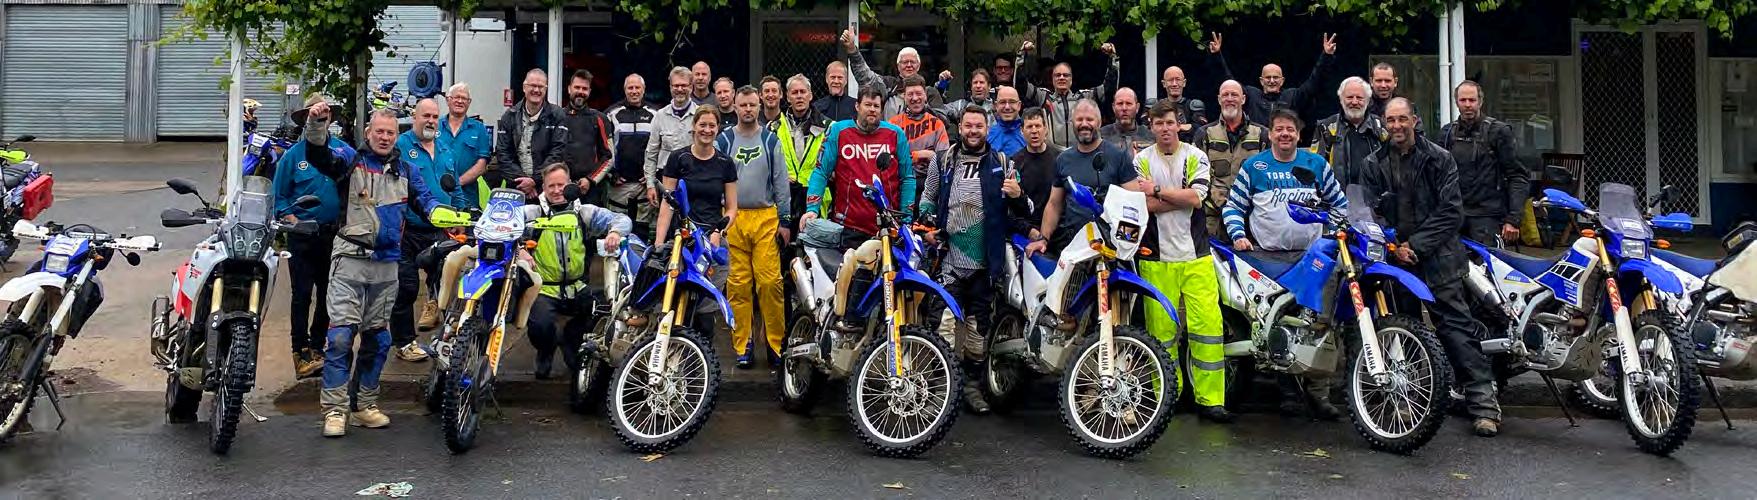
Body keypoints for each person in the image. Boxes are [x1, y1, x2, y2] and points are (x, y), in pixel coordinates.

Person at [1361, 97, 1501, 437]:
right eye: (1391, 120)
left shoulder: (1440, 158)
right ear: (1384, 123)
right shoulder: (1373, 163)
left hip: (1440, 258)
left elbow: (1451, 211)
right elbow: (1369, 212)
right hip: (1396, 261)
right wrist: (1395, 247)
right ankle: (1410, 401)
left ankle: (1483, 404)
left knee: (1457, 330)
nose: (1396, 126)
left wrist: (1416, 246)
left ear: (1414, 120)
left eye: (1402, 119)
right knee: (1403, 329)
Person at [320, 107, 445, 437]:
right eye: (380, 131)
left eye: (390, 132)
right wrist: (317, 125)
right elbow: (319, 154)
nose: (385, 137)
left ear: (396, 135)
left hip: (388, 263)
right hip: (350, 259)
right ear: (368, 132)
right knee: (340, 336)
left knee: (378, 338)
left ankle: (364, 405)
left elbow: (426, 201)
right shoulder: (349, 161)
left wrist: (444, 215)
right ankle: (335, 410)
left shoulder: (406, 170)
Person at [1222, 108, 1346, 421]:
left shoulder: (1316, 164)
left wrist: (1332, 236)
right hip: (1268, 257)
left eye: (1290, 129)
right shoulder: (1254, 166)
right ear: (1270, 134)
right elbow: (1233, 206)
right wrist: (1238, 235)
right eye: (1279, 129)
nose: (1285, 134)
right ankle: (1288, 392)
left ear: (1299, 134)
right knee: (1278, 324)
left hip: (1313, 257)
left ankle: (1319, 394)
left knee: (1318, 323)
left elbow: (1340, 205)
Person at [918, 105, 1035, 414]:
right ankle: (938, 390)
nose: (973, 131)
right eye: (968, 126)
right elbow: (927, 199)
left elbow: (1028, 210)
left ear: (987, 129)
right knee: (941, 326)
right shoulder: (943, 160)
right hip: (948, 261)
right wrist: (927, 224)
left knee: (977, 332)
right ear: (960, 128)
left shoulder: (1004, 163)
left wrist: (1018, 195)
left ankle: (970, 387)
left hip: (985, 264)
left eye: (978, 126)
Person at [1132, 100, 1231, 423]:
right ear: (1151, 126)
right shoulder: (1141, 159)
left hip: (1196, 256)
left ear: (1179, 124)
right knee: (1161, 333)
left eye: (1170, 122)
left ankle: (1211, 400)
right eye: (1158, 123)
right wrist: (1178, 197)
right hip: (1156, 259)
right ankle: (1167, 397)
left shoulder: (1195, 156)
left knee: (1208, 329)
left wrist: (1158, 190)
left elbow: (1197, 198)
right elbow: (1144, 205)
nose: (1165, 128)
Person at [801, 86, 916, 325]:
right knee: (851, 292)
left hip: (888, 228)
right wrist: (812, 209)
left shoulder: (895, 134)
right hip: (850, 226)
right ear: (857, 106)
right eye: (867, 105)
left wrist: (906, 218)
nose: (872, 110)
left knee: (889, 288)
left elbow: (907, 178)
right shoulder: (839, 131)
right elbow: (821, 172)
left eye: (876, 106)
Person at [525, 164, 633, 379]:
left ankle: (571, 340)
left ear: (571, 185)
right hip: (544, 289)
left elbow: (622, 219)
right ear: (543, 188)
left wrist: (614, 232)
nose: (557, 190)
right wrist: (519, 250)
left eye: (561, 185)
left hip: (578, 287)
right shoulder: (532, 213)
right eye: (551, 186)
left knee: (605, 311)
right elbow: (503, 223)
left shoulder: (584, 213)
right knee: (540, 325)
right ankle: (546, 350)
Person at [275, 93, 351, 379]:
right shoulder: (292, 157)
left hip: (333, 236)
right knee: (302, 295)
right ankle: (300, 350)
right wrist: (293, 220)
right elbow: (279, 198)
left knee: (329, 294)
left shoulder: (342, 151)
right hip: (302, 237)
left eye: (324, 116)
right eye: (315, 116)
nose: (320, 120)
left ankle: (318, 347)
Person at [718, 87, 790, 368]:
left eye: (752, 105)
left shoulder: (771, 141)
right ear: (735, 107)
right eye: (743, 105)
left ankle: (775, 343)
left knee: (770, 283)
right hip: (734, 219)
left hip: (765, 218)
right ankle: (743, 344)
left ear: (759, 106)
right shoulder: (724, 140)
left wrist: (785, 220)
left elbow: (781, 181)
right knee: (738, 285)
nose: (748, 110)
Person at [654, 105, 740, 336]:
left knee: (704, 312)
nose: (707, 130)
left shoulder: (725, 163)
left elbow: (732, 208)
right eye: (702, 125)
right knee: (671, 302)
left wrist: (719, 231)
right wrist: (659, 243)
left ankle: (702, 355)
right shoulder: (678, 158)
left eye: (712, 125)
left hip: (711, 242)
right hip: (681, 240)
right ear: (693, 126)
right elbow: (667, 203)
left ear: (718, 128)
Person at [388, 99, 461, 363]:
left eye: (434, 116)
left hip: (439, 230)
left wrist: (459, 215)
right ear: (415, 117)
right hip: (406, 230)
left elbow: (455, 186)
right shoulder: (400, 146)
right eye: (425, 115)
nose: (430, 120)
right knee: (406, 287)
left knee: (446, 285)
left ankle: (447, 342)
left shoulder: (445, 147)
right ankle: (404, 342)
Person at [1023, 99, 1144, 257]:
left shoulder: (1118, 156)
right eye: (1079, 119)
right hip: (1073, 248)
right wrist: (1043, 239)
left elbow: (1134, 204)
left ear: (1099, 123)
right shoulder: (1063, 159)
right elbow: (1054, 204)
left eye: (1089, 119)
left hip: (1110, 249)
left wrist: (1126, 247)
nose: (1084, 124)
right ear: (1072, 123)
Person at [1441, 80, 1529, 246]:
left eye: (1472, 100)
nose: (1468, 105)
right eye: (1463, 100)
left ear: (1480, 102)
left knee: (1486, 262)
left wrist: (1513, 219)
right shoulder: (1447, 133)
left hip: (1488, 217)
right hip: (1454, 215)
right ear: (1456, 102)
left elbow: (1517, 175)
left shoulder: (1498, 132)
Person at [1206, 32, 1337, 128]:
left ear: (1282, 80)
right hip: (1256, 147)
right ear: (1261, 81)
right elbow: (1229, 82)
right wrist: (1216, 55)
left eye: (1276, 77)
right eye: (1268, 77)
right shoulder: (1251, 95)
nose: (1272, 81)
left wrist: (1326, 56)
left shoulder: (1292, 96)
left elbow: (1314, 83)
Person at [1193, 80, 1268, 237]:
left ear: (1243, 99)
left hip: (1252, 217)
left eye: (1234, 95)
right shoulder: (1204, 134)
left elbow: (1268, 177)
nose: (1229, 99)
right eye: (1225, 95)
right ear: (1219, 99)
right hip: (1213, 218)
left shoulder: (1262, 134)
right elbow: (1195, 175)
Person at [1013, 40, 1120, 149]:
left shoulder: (1083, 97)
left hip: (1079, 152)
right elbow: (1021, 87)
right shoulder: (1043, 97)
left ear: (1071, 79)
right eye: (1057, 75)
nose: (1061, 78)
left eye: (1065, 75)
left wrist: (1112, 58)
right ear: (1052, 79)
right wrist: (1022, 55)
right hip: (1052, 153)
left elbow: (1109, 89)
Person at [841, 25, 944, 119]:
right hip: (890, 133)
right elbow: (866, 77)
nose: (909, 65)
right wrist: (852, 50)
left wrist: (921, 104)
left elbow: (943, 120)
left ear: (918, 65)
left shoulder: (930, 92)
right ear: (898, 66)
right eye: (905, 62)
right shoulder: (889, 85)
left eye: (912, 62)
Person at [495, 69, 569, 198]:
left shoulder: (557, 115)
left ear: (546, 89)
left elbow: (558, 152)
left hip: (549, 189)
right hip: (516, 187)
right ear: (524, 87)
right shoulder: (509, 116)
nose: (536, 90)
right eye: (533, 85)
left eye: (541, 87)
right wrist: (523, 183)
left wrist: (535, 180)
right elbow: (502, 153)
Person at [770, 74, 832, 230]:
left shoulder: (829, 126)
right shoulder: (773, 127)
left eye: (803, 92)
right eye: (794, 92)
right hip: (784, 198)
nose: (799, 96)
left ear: (810, 95)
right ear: (787, 97)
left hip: (816, 197)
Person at [644, 66, 701, 220]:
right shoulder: (660, 116)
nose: (679, 89)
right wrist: (650, 185)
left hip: (694, 180)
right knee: (667, 225)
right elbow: (651, 154)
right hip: (666, 182)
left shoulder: (701, 114)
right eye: (676, 85)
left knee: (693, 224)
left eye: (684, 85)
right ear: (670, 87)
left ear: (691, 87)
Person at [1312, 77, 1388, 186]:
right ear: (1341, 100)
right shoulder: (1326, 127)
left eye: (1359, 98)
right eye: (1349, 97)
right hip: (1336, 194)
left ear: (1367, 101)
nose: (1354, 102)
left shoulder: (1380, 126)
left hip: (1375, 193)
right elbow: (1314, 165)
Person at [606, 74, 658, 236]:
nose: (634, 91)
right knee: (618, 229)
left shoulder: (655, 114)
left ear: (644, 90)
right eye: (630, 88)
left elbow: (661, 147)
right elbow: (603, 147)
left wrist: (652, 176)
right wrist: (611, 174)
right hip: (619, 185)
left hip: (645, 185)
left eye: (637, 88)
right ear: (624, 90)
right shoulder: (612, 114)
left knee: (643, 230)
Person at [888, 75, 951, 185]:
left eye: (918, 93)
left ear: (925, 96)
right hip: (901, 183)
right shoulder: (893, 125)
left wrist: (929, 155)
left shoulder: (937, 124)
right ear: (904, 97)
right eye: (910, 94)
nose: (915, 98)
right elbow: (888, 159)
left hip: (931, 183)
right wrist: (918, 156)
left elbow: (945, 160)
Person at [438, 83, 492, 212]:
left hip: (468, 198)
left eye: (464, 98)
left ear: (469, 102)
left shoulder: (479, 129)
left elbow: (482, 165)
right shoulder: (435, 126)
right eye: (456, 97)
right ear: (448, 99)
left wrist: (455, 184)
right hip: (438, 196)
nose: (460, 101)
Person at [563, 69, 615, 196]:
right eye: (577, 87)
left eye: (584, 89)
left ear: (589, 92)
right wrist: (559, 179)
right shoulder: (557, 117)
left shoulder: (600, 119)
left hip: (591, 189)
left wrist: (590, 180)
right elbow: (550, 153)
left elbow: (609, 157)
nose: (580, 92)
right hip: (561, 187)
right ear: (569, 89)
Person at [1011, 107, 1062, 224]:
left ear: (1045, 129)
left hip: (1057, 227)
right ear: (1022, 131)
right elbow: (1013, 206)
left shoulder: (1060, 159)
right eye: (1029, 127)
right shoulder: (1015, 162)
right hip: (1027, 227)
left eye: (1038, 126)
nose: (1034, 131)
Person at [1144, 66, 1208, 143]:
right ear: (1164, 84)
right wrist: (1183, 127)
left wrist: (1164, 126)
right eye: (1170, 80)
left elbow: (1200, 130)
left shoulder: (1194, 106)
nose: (1174, 84)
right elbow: (1145, 129)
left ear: (1184, 83)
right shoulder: (1154, 106)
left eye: (1178, 79)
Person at [1100, 87, 1152, 155]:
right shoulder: (1101, 137)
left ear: (1137, 107)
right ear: (1113, 107)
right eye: (1120, 103)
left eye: (1129, 103)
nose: (1124, 108)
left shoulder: (1150, 137)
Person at [986, 86, 1026, 157]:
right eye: (1002, 102)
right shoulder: (987, 135)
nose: (1007, 107)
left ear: (1019, 106)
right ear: (996, 106)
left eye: (1012, 102)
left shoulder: (1030, 134)